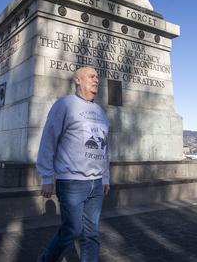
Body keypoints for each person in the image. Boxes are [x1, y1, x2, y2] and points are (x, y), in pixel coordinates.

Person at [37, 66, 111, 262]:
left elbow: (105, 148)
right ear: (78, 80)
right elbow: (48, 139)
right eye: (91, 76)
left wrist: (105, 176)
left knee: (92, 234)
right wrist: (46, 176)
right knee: (72, 229)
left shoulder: (100, 112)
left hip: (96, 183)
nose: (96, 79)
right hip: (71, 182)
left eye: (97, 76)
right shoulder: (65, 105)